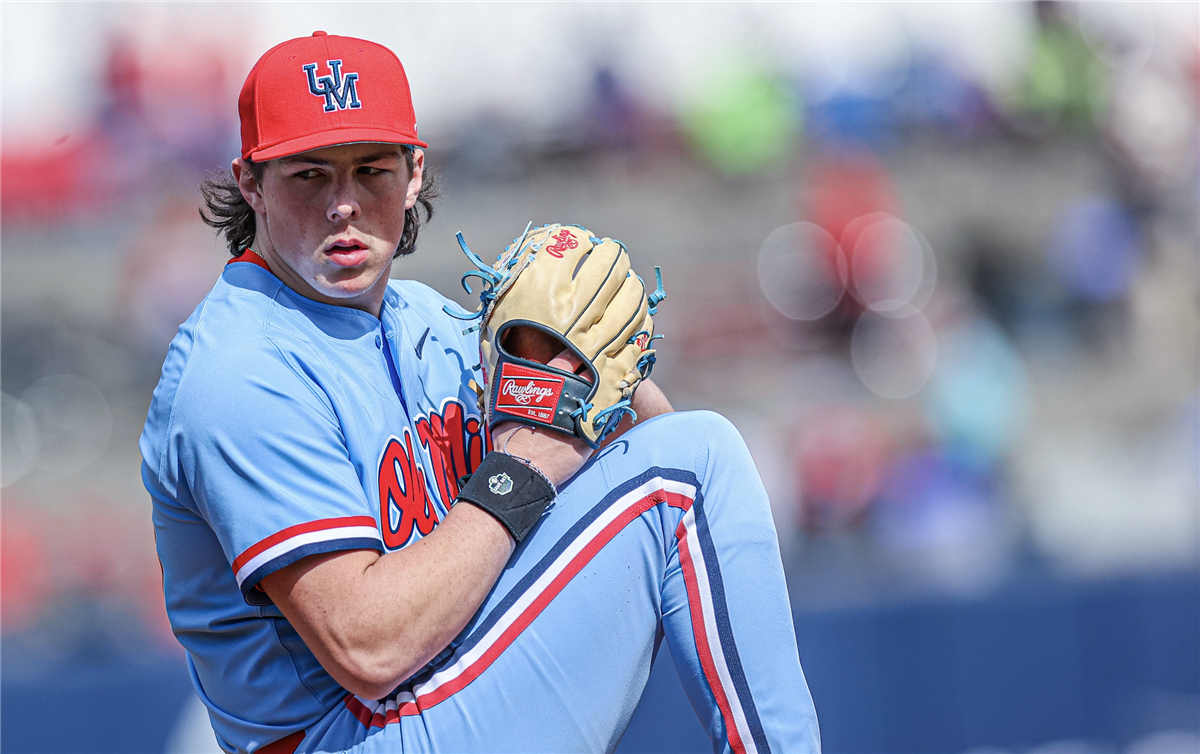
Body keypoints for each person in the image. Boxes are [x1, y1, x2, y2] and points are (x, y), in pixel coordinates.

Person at [141, 31, 820, 754]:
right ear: (251, 183)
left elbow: (645, 461)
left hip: (437, 698)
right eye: (309, 175)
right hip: (350, 734)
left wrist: (605, 363)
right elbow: (368, 650)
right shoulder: (240, 370)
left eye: (369, 169)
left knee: (685, 455)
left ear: (412, 174)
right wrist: (524, 466)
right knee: (692, 465)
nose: (343, 204)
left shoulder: (428, 321)